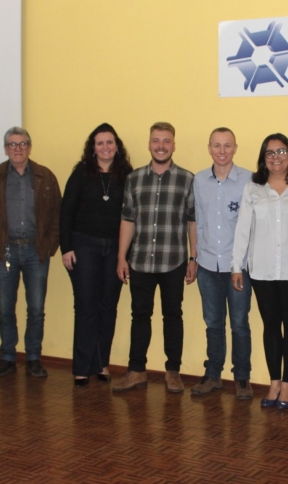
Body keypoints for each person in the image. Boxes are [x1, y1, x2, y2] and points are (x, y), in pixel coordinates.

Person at [112, 122, 196, 393]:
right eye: (156, 140)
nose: (161, 146)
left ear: (174, 145)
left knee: (173, 316)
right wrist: (121, 257)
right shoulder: (134, 179)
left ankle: (173, 372)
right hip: (140, 261)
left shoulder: (187, 179)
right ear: (149, 144)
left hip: (174, 260)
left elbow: (192, 221)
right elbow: (127, 219)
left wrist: (193, 258)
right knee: (139, 316)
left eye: (166, 141)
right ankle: (136, 371)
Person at [231, 133, 288, 409]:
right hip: (261, 269)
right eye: (270, 153)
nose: (276, 157)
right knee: (270, 325)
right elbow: (243, 228)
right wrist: (236, 265)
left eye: (281, 151)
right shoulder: (253, 187)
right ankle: (274, 382)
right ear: (263, 158)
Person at [0, 127, 61, 378]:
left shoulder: (45, 176)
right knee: (6, 307)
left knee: (36, 308)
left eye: (22, 144)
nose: (17, 148)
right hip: (4, 251)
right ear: (5, 149)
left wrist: (49, 246)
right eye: (12, 144)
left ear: (29, 147)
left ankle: (33, 357)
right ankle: (7, 356)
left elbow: (57, 214)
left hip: (35, 251)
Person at [61, 123, 132, 386]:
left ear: (117, 146)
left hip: (116, 249)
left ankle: (101, 363)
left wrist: (127, 255)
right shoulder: (81, 173)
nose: (105, 147)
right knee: (86, 307)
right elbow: (66, 211)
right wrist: (66, 247)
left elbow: (132, 217)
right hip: (84, 246)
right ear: (93, 147)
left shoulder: (127, 175)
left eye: (109, 142)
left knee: (108, 307)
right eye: (100, 143)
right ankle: (81, 367)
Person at [190, 127, 254, 399]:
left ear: (235, 148)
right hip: (207, 264)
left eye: (227, 145)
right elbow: (197, 222)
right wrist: (194, 257)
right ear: (209, 149)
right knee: (213, 323)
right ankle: (213, 374)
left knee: (239, 323)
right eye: (217, 145)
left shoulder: (249, 180)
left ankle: (242, 378)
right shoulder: (199, 180)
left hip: (237, 267)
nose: (222, 151)